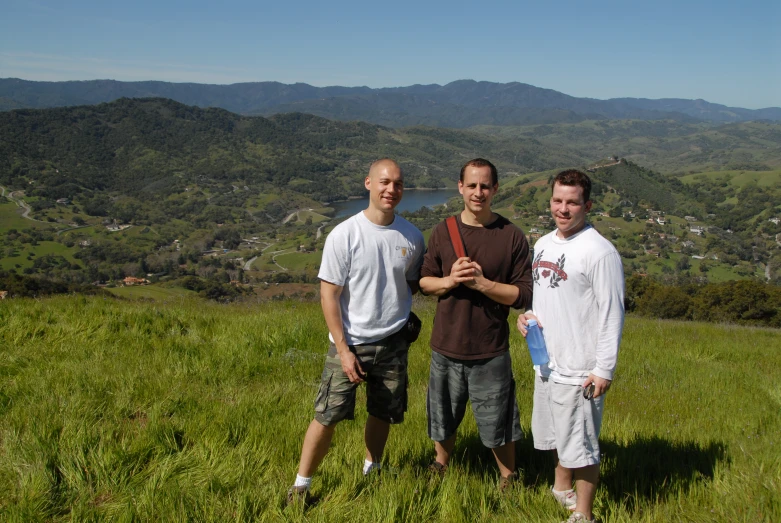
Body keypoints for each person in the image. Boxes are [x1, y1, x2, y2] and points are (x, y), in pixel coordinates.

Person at [287, 158, 425, 504]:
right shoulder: (344, 234)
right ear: (368, 183)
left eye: (397, 183)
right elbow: (328, 295)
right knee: (328, 414)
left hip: (393, 341)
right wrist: (344, 350)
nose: (390, 189)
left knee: (384, 411)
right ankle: (301, 486)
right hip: (350, 343)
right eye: (383, 182)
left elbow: (411, 284)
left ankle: (372, 468)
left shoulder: (412, 236)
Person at [517, 169, 625, 523]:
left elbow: (612, 314)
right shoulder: (544, 244)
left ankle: (583, 513)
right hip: (547, 362)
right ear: (550, 201)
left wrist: (603, 369)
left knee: (582, 443)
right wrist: (527, 316)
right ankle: (560, 489)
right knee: (559, 435)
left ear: (587, 205)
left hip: (581, 367)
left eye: (572, 202)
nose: (563, 209)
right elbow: (544, 295)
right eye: (558, 201)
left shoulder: (600, 253)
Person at [419, 158, 533, 490]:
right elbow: (424, 282)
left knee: (498, 420)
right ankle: (440, 465)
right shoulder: (443, 231)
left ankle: (508, 478)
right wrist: (450, 280)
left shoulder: (511, 236)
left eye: (485, 186)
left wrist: (483, 285)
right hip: (447, 344)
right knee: (443, 417)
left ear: (495, 189)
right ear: (460, 188)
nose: (478, 193)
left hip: (490, 348)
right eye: (472, 185)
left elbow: (523, 294)